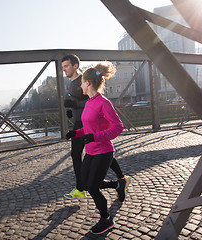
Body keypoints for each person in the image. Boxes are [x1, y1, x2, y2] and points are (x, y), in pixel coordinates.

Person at [65, 61, 125, 235]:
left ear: (88, 83)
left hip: (104, 151)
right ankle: (118, 184)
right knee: (84, 184)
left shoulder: (103, 103)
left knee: (92, 188)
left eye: (82, 82)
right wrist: (76, 133)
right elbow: (88, 128)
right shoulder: (89, 102)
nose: (81, 85)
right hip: (90, 151)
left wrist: (95, 137)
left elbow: (118, 127)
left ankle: (106, 220)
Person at [61, 54, 129, 201]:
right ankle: (119, 181)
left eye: (66, 66)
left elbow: (91, 100)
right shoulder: (72, 83)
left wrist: (75, 104)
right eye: (62, 67)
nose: (64, 70)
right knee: (96, 151)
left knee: (97, 151)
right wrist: (70, 108)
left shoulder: (84, 80)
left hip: (89, 122)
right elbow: (72, 95)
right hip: (81, 122)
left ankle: (82, 188)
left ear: (75, 66)